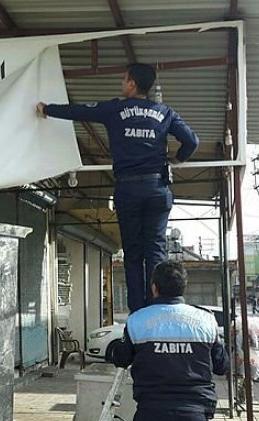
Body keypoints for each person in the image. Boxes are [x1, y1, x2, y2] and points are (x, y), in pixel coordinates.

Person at [37, 63, 199, 313]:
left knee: (133, 254)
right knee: (155, 251)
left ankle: (138, 315)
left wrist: (48, 109)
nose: (121, 83)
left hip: (129, 190)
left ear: (132, 84)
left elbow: (79, 111)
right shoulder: (165, 112)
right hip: (157, 188)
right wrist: (177, 159)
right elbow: (191, 141)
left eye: (124, 79)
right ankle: (158, 309)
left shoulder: (115, 109)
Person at [110, 260, 229, 421]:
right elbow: (222, 365)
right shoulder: (206, 320)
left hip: (151, 415)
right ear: (183, 287)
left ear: (154, 288)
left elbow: (121, 358)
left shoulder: (137, 320)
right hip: (195, 417)